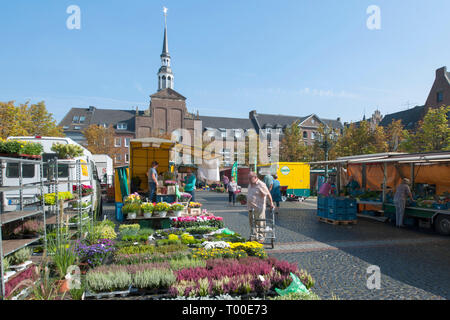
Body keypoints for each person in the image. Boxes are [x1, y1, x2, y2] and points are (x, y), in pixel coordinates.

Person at [247, 171, 275, 243]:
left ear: (255, 177)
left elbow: (268, 194)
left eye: (250, 178)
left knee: (260, 223)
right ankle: (254, 236)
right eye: (248, 178)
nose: (249, 180)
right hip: (250, 207)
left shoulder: (261, 184)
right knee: (252, 223)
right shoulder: (250, 184)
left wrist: (271, 203)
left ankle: (261, 237)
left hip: (259, 207)